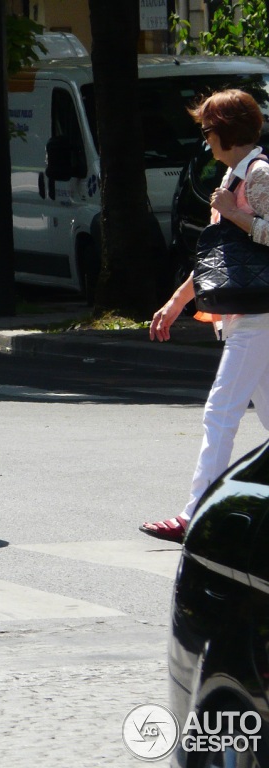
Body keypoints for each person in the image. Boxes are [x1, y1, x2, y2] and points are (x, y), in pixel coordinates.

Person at [141, 88, 269, 542]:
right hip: (244, 314)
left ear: (225, 131)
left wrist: (233, 214)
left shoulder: (257, 174)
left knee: (220, 412)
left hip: (259, 318)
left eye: (207, 130)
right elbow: (222, 260)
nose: (205, 139)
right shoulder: (236, 174)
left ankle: (195, 513)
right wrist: (177, 303)